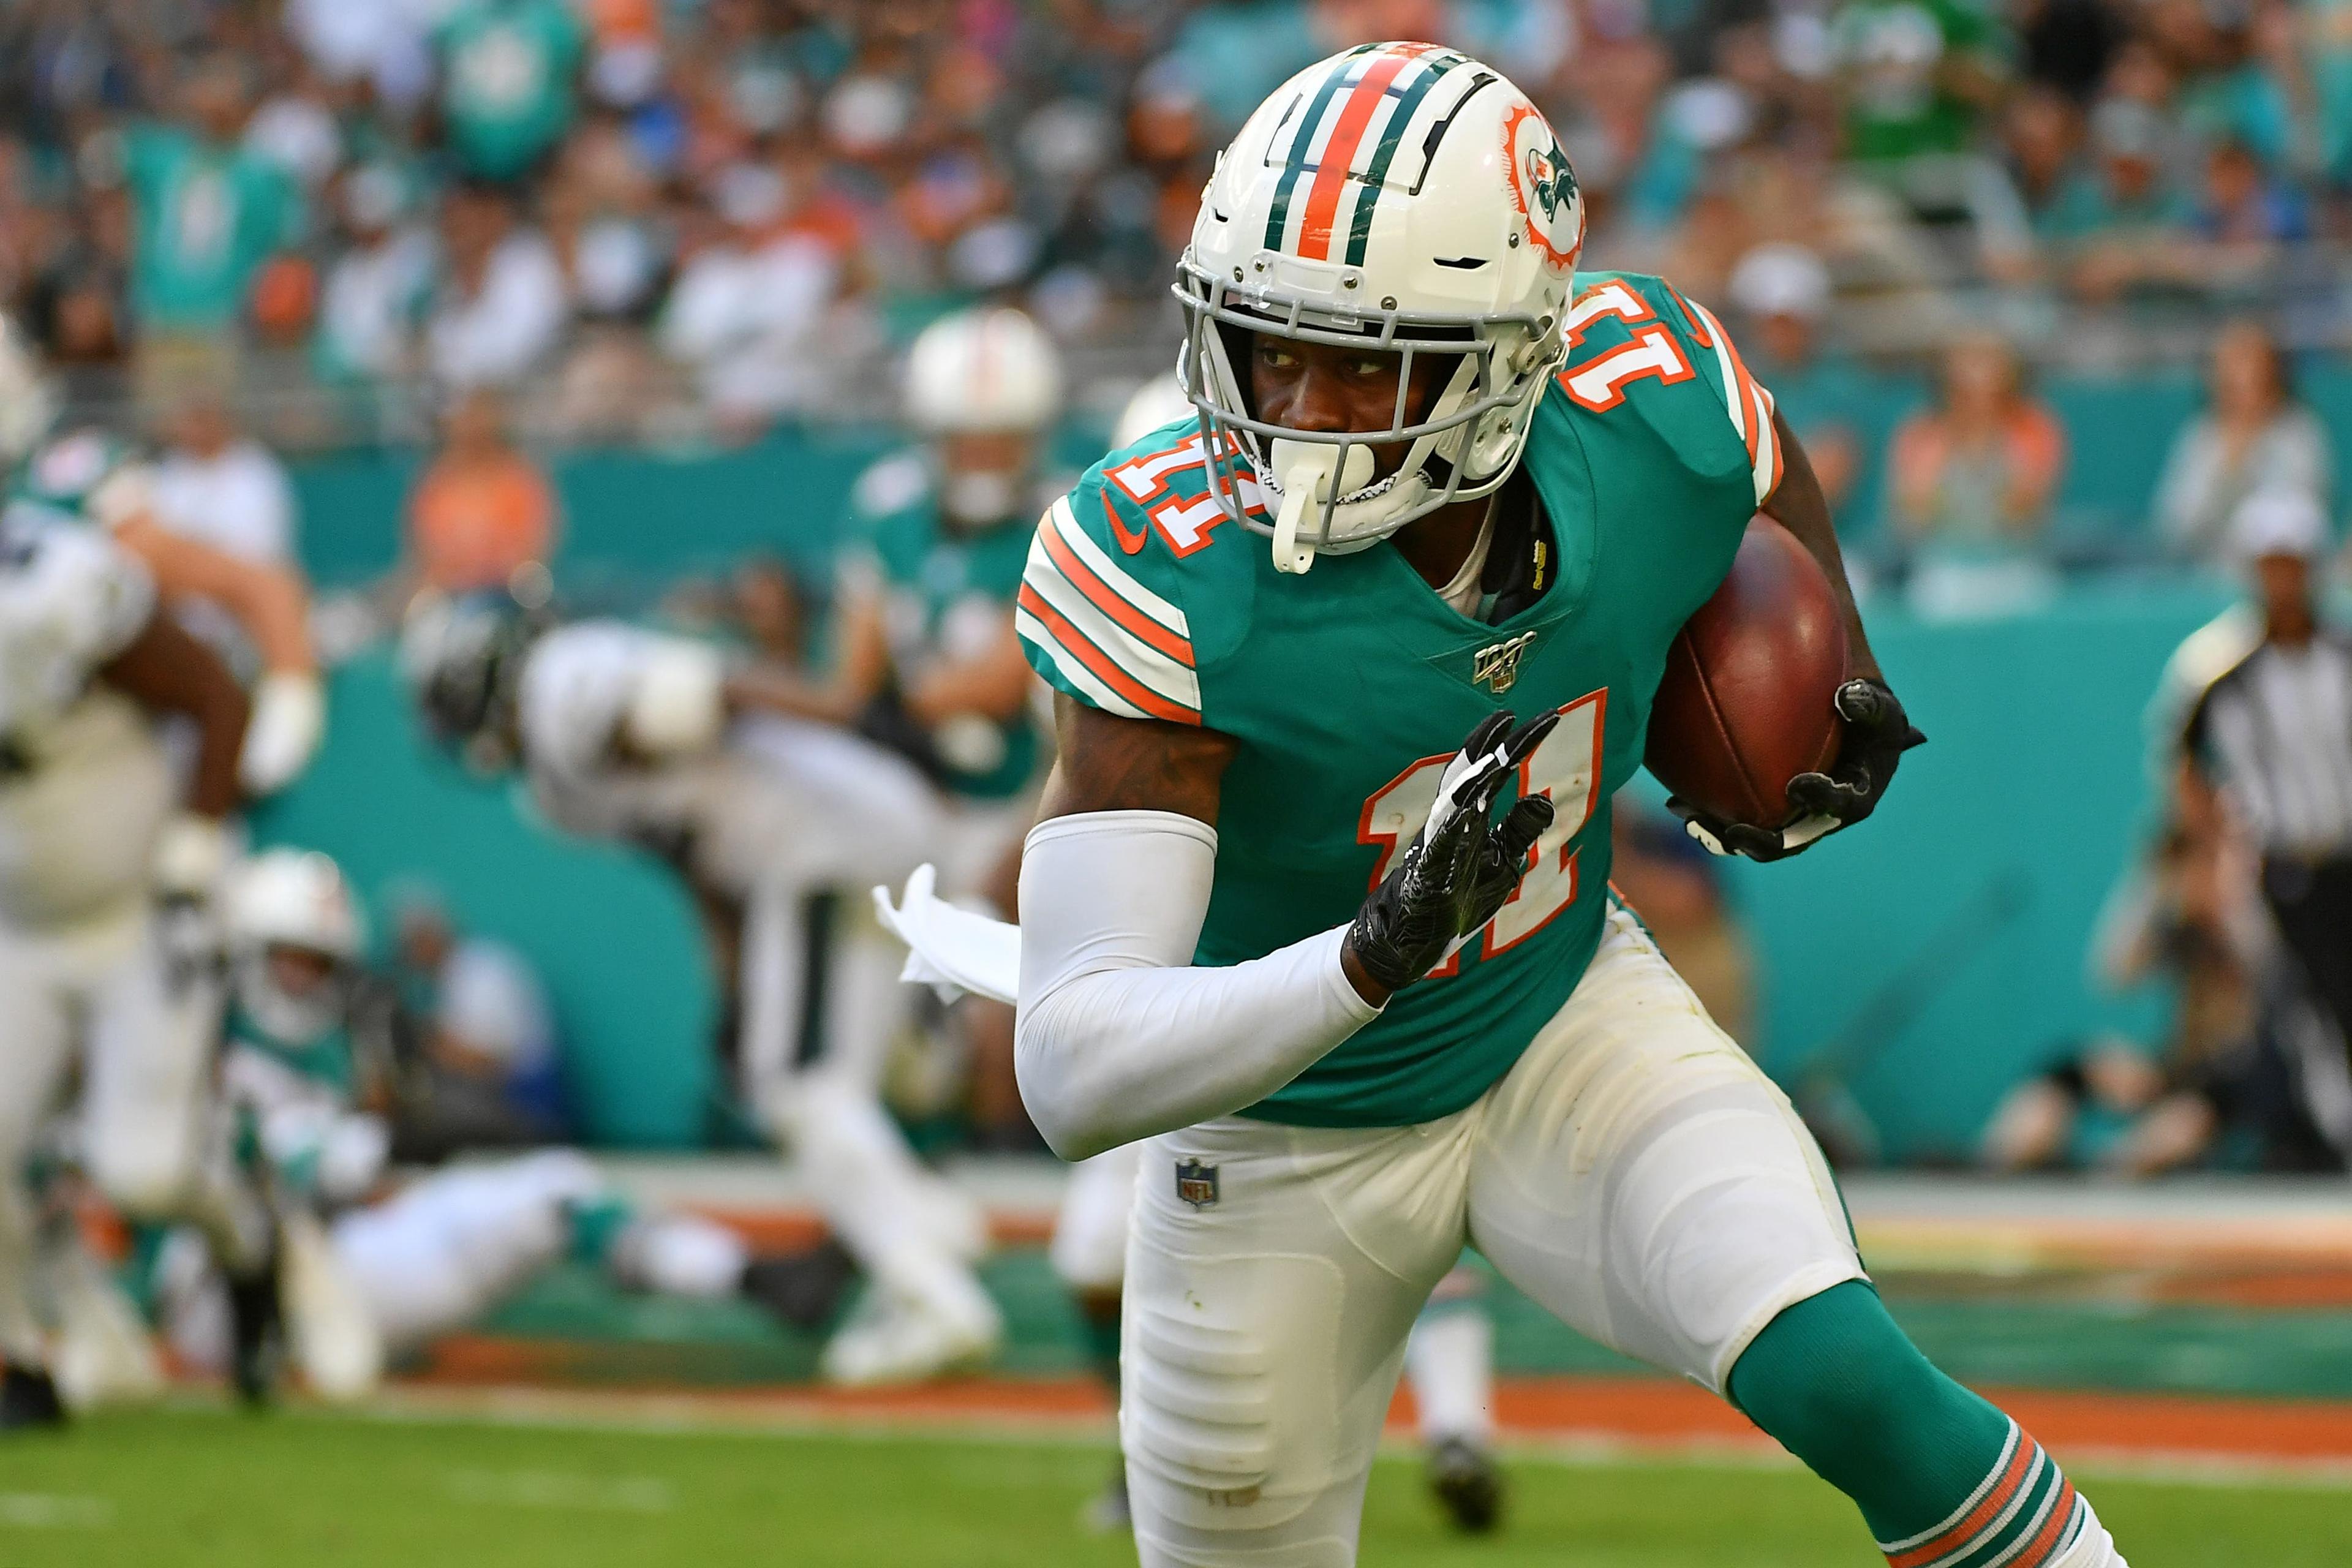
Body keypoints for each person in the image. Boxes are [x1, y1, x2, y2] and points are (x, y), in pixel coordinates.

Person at [989, 42, 2122, 1568]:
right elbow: (1067, 1060)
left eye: (1361, 359)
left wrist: (1833, 665)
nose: (1295, 409)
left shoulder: (1646, 408)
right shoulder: (1171, 569)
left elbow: (1758, 463)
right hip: (1270, 1140)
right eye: (1267, 348)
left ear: (1505, 356)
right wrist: (1368, 955)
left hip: (1556, 1016)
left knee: (1850, 1374)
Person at [400, 594, 1001, 1384]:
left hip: (824, 840)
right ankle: (923, 1242)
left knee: (798, 1089)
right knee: (836, 1089)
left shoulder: (562, 682)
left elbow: (711, 689)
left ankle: (934, 1289)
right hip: (820, 849)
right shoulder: (552, 790)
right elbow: (693, 857)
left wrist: (846, 713)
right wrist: (732, 978)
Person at [142, 845, 845, 1389]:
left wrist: (406, 1129)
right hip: (220, 1294)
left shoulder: (333, 1046)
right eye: (291, 959)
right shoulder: (200, 1045)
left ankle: (755, 1278)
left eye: (318, 963)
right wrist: (401, 1133)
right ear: (248, 954)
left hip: (340, 1256)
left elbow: (346, 1165)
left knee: (557, 1187)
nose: (307, 981)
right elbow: (293, 1160)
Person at [0, 467, 277, 1429]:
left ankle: (249, 1242)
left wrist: (195, 851)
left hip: (134, 915)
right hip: (20, 928)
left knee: (144, 1173)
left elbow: (216, 695)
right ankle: (20, 1360)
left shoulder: (43, 581)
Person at [1, 325, 325, 798]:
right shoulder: (160, 473)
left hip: (89, 766)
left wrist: (289, 704)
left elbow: (264, 586)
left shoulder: (58, 485)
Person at [2182, 489, 2352, 1076]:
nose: (2282, 582)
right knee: (2311, 1005)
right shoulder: (2227, 681)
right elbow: (2187, 768)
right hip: (2285, 869)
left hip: (2347, 854)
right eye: (2270, 566)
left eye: (2293, 565)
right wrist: (2218, 851)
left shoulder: (2344, 661)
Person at [1887, 333, 2067, 616]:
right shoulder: (1921, 433)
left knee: (2043, 602)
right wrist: (1954, 443)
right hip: (1946, 570)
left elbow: (2023, 511)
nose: (1977, 378)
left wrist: (1989, 437)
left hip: (2017, 567)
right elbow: (1914, 517)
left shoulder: (2034, 427)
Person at [2152, 322, 2331, 565]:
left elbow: (2309, 518)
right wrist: (2230, 466)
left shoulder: (2298, 431)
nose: (2245, 382)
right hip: (2211, 575)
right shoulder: (2201, 436)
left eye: (2254, 370)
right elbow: (2177, 527)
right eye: (2233, 373)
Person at [403, 389, 562, 596]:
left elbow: (534, 546)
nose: (473, 426)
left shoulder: (518, 479)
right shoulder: (437, 484)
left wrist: (497, 571)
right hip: (451, 594)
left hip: (508, 594)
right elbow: (426, 551)